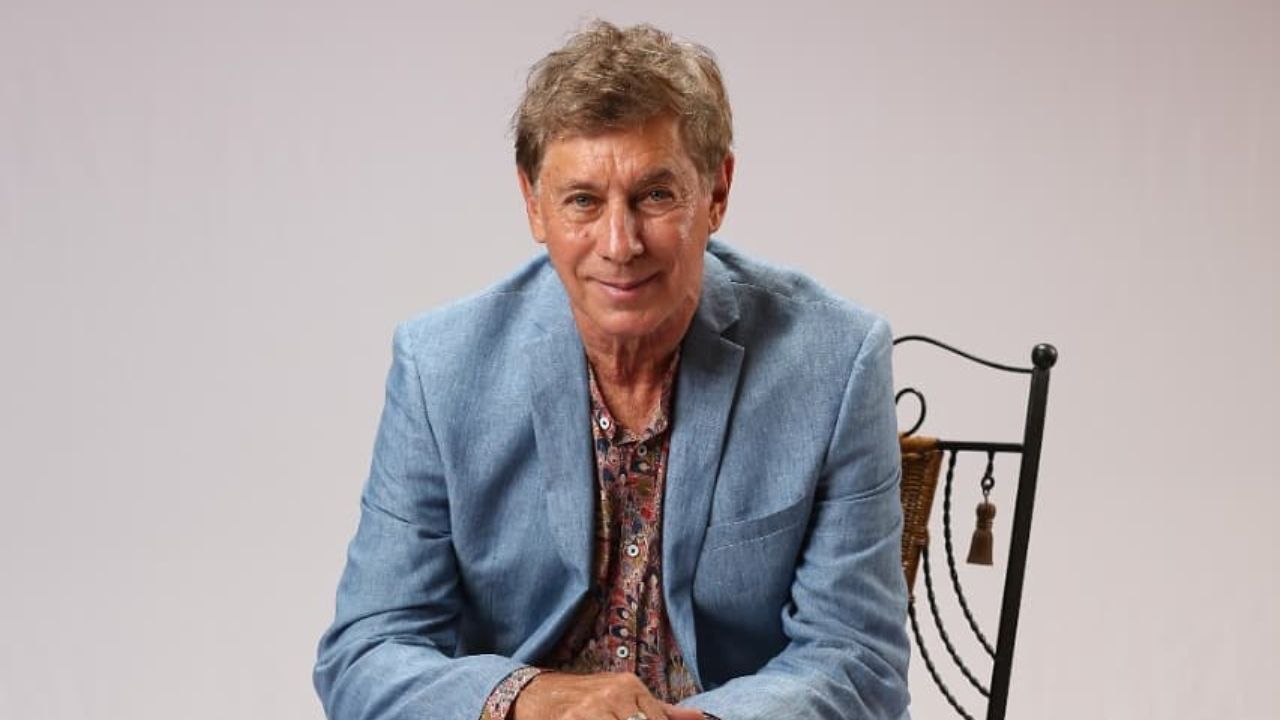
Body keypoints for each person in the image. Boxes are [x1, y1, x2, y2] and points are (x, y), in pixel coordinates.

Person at [314, 20, 911, 720]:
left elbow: (859, 659)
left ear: (716, 192)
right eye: (583, 201)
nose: (619, 244)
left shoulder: (836, 361)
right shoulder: (441, 367)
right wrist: (534, 700)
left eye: (655, 195)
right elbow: (366, 653)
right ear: (533, 203)